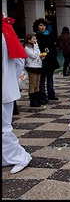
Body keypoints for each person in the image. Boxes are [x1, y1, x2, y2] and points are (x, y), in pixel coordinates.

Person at [2, 13, 32, 174]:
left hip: (4, 87)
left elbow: (19, 59)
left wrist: (11, 82)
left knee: (4, 127)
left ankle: (20, 157)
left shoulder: (5, 32)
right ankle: (6, 157)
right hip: (6, 84)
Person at [33, 18, 60, 104]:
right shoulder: (36, 37)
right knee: (42, 79)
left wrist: (53, 55)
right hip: (42, 59)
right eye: (40, 25)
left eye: (44, 25)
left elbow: (53, 47)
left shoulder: (50, 35)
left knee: (50, 78)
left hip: (51, 59)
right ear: (37, 27)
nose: (42, 27)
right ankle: (42, 96)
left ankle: (51, 94)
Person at [23, 33, 46, 107]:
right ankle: (32, 101)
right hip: (31, 67)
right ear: (29, 40)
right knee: (32, 84)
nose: (35, 40)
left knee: (37, 84)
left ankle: (37, 99)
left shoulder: (35, 47)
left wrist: (42, 56)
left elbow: (37, 56)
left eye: (35, 39)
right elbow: (33, 55)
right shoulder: (26, 48)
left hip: (38, 66)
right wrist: (36, 47)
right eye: (34, 39)